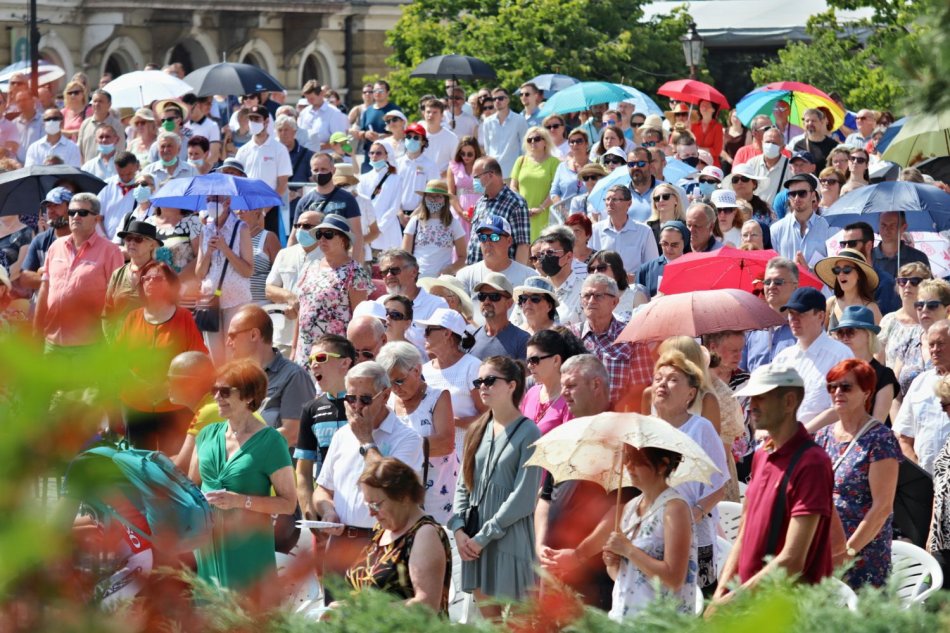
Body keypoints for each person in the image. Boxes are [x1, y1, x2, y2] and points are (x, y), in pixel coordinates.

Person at [713, 365, 834, 605]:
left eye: (761, 397)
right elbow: (744, 531)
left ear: (789, 402)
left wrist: (731, 601)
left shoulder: (812, 463)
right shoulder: (762, 454)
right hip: (748, 603)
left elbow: (792, 560)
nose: (752, 406)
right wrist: (721, 594)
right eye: (751, 398)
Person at [188, 360, 295, 595]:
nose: (217, 397)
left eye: (225, 391)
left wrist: (240, 501)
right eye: (214, 390)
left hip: (248, 547)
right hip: (207, 546)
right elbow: (190, 487)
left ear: (249, 396)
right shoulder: (206, 435)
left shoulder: (271, 441)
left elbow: (288, 503)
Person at [448, 356, 542, 612]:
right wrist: (459, 529)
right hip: (473, 540)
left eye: (489, 380)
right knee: (490, 623)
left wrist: (484, 536)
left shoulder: (530, 432)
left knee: (516, 624)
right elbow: (463, 484)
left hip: (509, 537)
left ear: (512, 385)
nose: (482, 387)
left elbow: (523, 497)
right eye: (479, 382)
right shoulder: (477, 428)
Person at [313, 362, 424, 577]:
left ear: (385, 396)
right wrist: (328, 511)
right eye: (350, 398)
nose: (356, 406)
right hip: (340, 544)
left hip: (383, 543)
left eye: (365, 399)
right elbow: (323, 488)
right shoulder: (342, 435)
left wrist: (366, 440)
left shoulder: (408, 438)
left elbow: (393, 488)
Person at [814, 359, 901, 588]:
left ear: (866, 392)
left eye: (846, 387)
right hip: (823, 547)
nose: (837, 392)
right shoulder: (823, 436)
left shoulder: (880, 439)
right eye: (832, 387)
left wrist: (847, 553)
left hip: (862, 554)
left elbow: (882, 508)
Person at [649, 351, 728, 596]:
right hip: (653, 531)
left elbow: (719, 487)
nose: (662, 384)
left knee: (697, 602)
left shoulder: (700, 428)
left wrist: (694, 515)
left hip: (694, 530)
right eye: (658, 378)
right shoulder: (645, 429)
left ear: (690, 394)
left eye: (672, 379)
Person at [115, 260, 207, 452]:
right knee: (137, 463)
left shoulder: (184, 318)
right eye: (146, 278)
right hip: (136, 405)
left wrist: (167, 387)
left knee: (172, 464)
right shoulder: (132, 318)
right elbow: (116, 360)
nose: (150, 282)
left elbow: (197, 360)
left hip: (174, 407)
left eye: (157, 278)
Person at [343, 457, 452, 613]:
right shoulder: (381, 530)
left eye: (376, 505)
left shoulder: (424, 534)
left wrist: (361, 611)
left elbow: (427, 606)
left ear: (404, 497)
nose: (371, 512)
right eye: (368, 504)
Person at [604, 444, 695, 621]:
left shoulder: (674, 508)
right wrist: (612, 563)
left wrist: (627, 549)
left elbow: (674, 580)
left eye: (637, 461)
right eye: (627, 459)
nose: (628, 466)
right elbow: (624, 577)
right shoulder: (630, 507)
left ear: (662, 465)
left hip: (659, 622)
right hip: (624, 617)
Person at [377, 342, 457, 524]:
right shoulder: (388, 402)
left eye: (399, 380)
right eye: (389, 383)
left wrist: (403, 445)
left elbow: (446, 443)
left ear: (417, 370)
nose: (395, 388)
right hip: (397, 494)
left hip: (435, 496)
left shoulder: (438, 397)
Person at [33, 193, 123, 354]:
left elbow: (118, 298)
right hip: (52, 343)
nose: (75, 217)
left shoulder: (111, 251)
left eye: (82, 213)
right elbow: (45, 289)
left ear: (96, 219)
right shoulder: (55, 246)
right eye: (72, 212)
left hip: (90, 346)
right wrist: (36, 331)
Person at [226, 304, 315, 448]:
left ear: (254, 335)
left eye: (232, 336)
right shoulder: (235, 379)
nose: (228, 343)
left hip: (274, 460)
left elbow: (293, 433)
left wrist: (240, 449)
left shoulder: (294, 376)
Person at [293, 215, 373, 365]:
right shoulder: (310, 267)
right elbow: (302, 309)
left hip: (335, 354)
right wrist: (293, 349)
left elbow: (359, 318)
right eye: (319, 234)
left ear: (343, 240)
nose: (322, 239)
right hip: (304, 351)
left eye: (328, 234)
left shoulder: (354, 272)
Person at [294, 335, 356, 519]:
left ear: (345, 363)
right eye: (311, 360)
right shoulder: (310, 409)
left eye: (321, 358)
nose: (313, 365)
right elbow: (303, 471)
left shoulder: (366, 403)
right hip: (325, 512)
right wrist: (310, 515)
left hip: (361, 509)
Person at [773, 287, 853, 425]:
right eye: (791, 313)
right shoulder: (782, 358)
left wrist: (802, 433)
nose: (794, 319)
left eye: (800, 313)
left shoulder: (840, 355)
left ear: (820, 316)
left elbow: (844, 405)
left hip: (823, 437)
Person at [570, 273, 651, 408]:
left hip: (617, 416)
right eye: (587, 296)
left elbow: (641, 392)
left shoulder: (631, 338)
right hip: (576, 416)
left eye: (598, 296)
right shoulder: (571, 336)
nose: (591, 301)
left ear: (614, 302)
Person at [193, 195, 253, 364]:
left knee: (235, 355)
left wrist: (225, 249)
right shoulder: (205, 230)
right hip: (210, 302)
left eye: (216, 199)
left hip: (236, 300)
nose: (211, 203)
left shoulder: (241, 228)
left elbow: (248, 270)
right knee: (215, 358)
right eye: (208, 199)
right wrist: (209, 252)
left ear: (227, 202)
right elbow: (199, 273)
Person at [419, 307, 486, 458]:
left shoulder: (473, 367)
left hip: (466, 457)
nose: (424, 334)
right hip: (431, 460)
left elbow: (488, 415)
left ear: (446, 333)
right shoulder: (424, 370)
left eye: (428, 330)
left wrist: (450, 422)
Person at [894, 320, 950, 473]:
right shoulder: (920, 382)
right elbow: (904, 438)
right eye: (931, 345)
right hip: (926, 479)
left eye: (940, 344)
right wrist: (921, 476)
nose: (935, 349)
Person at [827, 306, 899, 425]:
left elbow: (877, 423)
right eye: (840, 333)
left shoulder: (884, 375)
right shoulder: (835, 371)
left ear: (868, 335)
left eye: (850, 332)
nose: (844, 338)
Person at [702, 330, 748, 502]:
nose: (739, 356)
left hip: (734, 463)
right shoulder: (695, 385)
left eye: (741, 350)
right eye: (733, 350)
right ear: (713, 348)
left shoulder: (746, 380)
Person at [465, 157, 531, 266]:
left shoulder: (515, 203)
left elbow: (523, 245)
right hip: (475, 270)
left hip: (501, 273)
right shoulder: (480, 202)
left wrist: (518, 275)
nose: (474, 182)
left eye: (476, 177)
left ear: (490, 175)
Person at [457, 215, 535, 306]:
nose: (487, 242)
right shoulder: (465, 275)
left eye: (494, 237)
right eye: (483, 237)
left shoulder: (528, 277)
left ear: (509, 241)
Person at [103, 221, 162, 329]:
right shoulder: (118, 274)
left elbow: (169, 315)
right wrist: (111, 338)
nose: (132, 243)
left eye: (138, 239)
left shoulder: (163, 274)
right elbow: (107, 313)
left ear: (152, 245)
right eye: (128, 238)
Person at [402, 179, 466, 277]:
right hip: (416, 278)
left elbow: (463, 257)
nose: (433, 199)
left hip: (441, 280)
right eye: (430, 196)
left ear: (445, 199)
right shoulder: (415, 221)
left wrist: (450, 269)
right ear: (425, 198)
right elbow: (405, 254)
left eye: (438, 196)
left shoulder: (453, 223)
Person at [590, 185, 658, 276]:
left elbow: (652, 266)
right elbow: (589, 265)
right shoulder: (595, 230)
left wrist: (635, 278)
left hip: (633, 283)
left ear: (629, 204)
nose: (610, 203)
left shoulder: (644, 231)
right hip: (603, 282)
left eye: (615, 199)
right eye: (607, 199)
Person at [520, 329, 579, 435]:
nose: (529, 366)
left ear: (556, 360)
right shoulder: (531, 393)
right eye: (528, 361)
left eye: (534, 360)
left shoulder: (570, 399)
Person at [879, 262, 931, 373]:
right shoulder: (888, 321)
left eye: (915, 281)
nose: (907, 285)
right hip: (892, 382)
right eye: (902, 281)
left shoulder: (932, 320)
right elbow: (878, 361)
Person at [770, 174, 831, 266]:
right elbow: (773, 266)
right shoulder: (776, 229)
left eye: (802, 193)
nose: (797, 198)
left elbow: (833, 267)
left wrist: (808, 271)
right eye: (792, 194)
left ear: (813, 195)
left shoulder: (828, 228)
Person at [510, 126, 560, 241]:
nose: (533, 142)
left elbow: (555, 191)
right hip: (522, 215)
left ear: (545, 142)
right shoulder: (520, 160)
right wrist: (523, 207)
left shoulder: (554, 162)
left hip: (545, 215)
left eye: (537, 139)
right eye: (529, 139)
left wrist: (541, 208)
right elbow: (513, 186)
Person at [814, 248, 882, 328]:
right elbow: (820, 333)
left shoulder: (871, 308)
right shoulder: (831, 303)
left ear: (859, 274)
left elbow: (882, 335)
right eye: (837, 270)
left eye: (847, 269)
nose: (841, 274)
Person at [469, 273, 530, 361]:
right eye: (482, 296)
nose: (486, 301)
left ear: (509, 303)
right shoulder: (470, 338)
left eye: (494, 296)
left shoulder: (522, 340)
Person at [927, 374, 950, 579]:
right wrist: (931, 535)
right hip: (942, 538)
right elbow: (940, 487)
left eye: (945, 405)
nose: (944, 412)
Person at [480, 87, 529, 178]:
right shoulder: (487, 122)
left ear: (508, 100)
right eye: (494, 99)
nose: (497, 101)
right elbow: (488, 149)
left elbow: (525, 147)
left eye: (501, 98)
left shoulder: (519, 120)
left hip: (513, 172)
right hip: (493, 172)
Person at [353, 80, 399, 173]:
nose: (377, 93)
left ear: (387, 93)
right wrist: (365, 134)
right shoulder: (367, 111)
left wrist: (381, 137)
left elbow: (400, 134)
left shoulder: (395, 110)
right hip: (369, 159)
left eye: (381, 90)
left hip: (389, 159)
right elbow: (360, 132)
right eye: (375, 91)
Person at [636, 221, 689, 299]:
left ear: (684, 243)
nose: (669, 249)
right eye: (665, 244)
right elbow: (638, 301)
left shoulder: (693, 267)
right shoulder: (645, 270)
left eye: (674, 245)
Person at [873, 212, 930, 280]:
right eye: (883, 225)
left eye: (892, 225)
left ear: (904, 227)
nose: (887, 229)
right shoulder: (867, 257)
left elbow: (929, 286)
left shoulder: (919, 258)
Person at [589, 250, 643, 321]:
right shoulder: (588, 299)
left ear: (616, 270)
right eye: (592, 269)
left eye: (601, 268)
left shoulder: (636, 297)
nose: (595, 272)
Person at [446, 136, 482, 237]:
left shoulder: (482, 167)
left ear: (476, 153)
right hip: (459, 211)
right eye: (463, 153)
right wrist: (461, 213)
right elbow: (451, 193)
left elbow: (483, 191)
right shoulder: (454, 167)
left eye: (470, 154)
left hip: (479, 212)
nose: (466, 157)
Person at [77, 89, 126, 163]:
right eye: (95, 101)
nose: (97, 104)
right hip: (88, 168)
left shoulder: (116, 126)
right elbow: (79, 150)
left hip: (110, 168)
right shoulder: (85, 124)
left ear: (109, 104)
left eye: (100, 101)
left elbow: (120, 150)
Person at [645, 183, 687, 249]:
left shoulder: (686, 226)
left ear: (676, 200)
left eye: (665, 196)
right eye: (657, 198)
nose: (661, 200)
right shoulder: (648, 227)